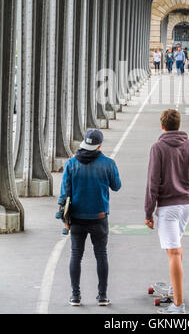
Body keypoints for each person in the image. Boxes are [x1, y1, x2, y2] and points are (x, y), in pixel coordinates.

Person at [145, 110, 189, 314]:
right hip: (187, 205)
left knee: (173, 252)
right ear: (178, 125)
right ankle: (175, 288)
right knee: (176, 248)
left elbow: (153, 183)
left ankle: (178, 305)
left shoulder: (158, 147)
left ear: (162, 126)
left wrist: (148, 212)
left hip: (168, 207)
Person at [58, 129, 122, 307]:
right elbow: (116, 186)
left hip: (77, 218)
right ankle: (102, 296)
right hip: (99, 218)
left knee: (76, 255)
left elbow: (64, 194)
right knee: (101, 255)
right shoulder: (108, 164)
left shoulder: (71, 164)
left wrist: (64, 219)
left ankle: (75, 296)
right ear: (99, 145)